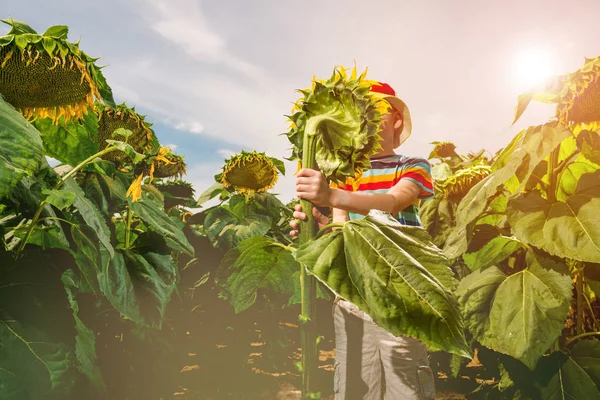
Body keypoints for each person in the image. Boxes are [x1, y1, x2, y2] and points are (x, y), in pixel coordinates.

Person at [290, 81, 437, 400]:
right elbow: (343, 231)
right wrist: (319, 226)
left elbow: (394, 201)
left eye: (373, 110)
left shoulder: (411, 166)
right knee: (355, 387)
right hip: (353, 300)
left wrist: (331, 194)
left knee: (405, 386)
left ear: (396, 117)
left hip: (400, 296)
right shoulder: (346, 176)